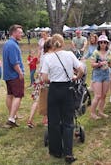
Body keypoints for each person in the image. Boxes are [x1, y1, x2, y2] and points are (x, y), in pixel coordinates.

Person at [41, 34, 84, 163]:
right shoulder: (70, 55)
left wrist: (53, 79)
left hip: (54, 89)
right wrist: (75, 77)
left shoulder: (48, 57)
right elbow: (80, 69)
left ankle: (56, 151)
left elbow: (44, 78)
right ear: (63, 43)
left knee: (54, 121)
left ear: (52, 44)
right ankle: (69, 153)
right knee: (68, 122)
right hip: (67, 89)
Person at [27, 39, 53, 128]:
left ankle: (31, 120)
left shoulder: (43, 55)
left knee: (38, 100)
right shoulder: (50, 56)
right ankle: (46, 120)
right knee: (47, 99)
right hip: (45, 79)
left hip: (39, 79)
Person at [3, 24, 25, 128]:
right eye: (20, 32)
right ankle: (11, 118)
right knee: (18, 96)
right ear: (14, 33)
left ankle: (13, 115)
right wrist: (20, 73)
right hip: (15, 75)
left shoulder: (8, 43)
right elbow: (14, 62)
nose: (22, 34)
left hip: (8, 75)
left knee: (10, 95)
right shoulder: (12, 45)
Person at [90, 35, 111, 119]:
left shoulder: (109, 53)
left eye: (105, 42)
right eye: (101, 42)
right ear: (99, 43)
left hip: (106, 74)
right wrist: (99, 64)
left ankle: (100, 112)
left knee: (104, 95)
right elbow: (92, 65)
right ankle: (92, 113)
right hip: (97, 75)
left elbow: (110, 66)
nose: (103, 44)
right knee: (98, 95)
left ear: (107, 43)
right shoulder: (96, 52)